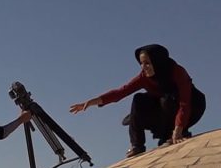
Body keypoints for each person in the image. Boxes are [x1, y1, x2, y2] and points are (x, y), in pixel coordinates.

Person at [70, 44, 206, 157]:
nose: (143, 67)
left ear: (157, 61)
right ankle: (137, 145)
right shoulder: (143, 77)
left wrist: (178, 129)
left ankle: (175, 133)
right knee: (139, 99)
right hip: (163, 110)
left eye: (147, 63)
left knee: (167, 100)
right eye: (141, 63)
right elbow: (120, 92)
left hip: (191, 107)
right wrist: (93, 102)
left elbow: (185, 103)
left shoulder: (177, 72)